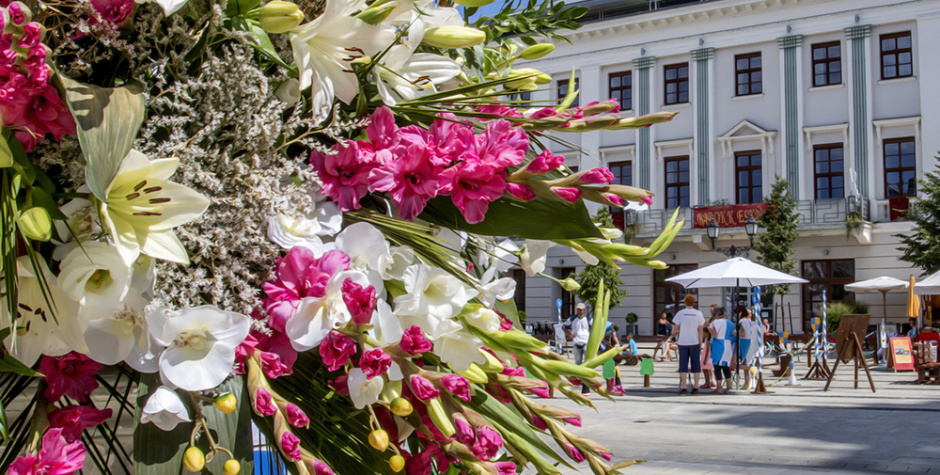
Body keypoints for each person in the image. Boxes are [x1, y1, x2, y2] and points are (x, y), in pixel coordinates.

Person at [671, 294, 705, 395]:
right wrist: (700, 343)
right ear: (694, 302)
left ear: (685, 302)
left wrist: (674, 333)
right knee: (696, 366)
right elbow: (701, 330)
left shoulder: (680, 313)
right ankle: (695, 388)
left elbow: (675, 329)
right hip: (695, 342)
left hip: (683, 342)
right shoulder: (698, 314)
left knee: (683, 366)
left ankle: (684, 388)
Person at [564, 302, 592, 395]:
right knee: (578, 363)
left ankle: (586, 380)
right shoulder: (573, 318)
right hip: (576, 342)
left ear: (584, 310)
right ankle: (581, 380)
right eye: (578, 309)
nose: (579, 311)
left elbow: (594, 327)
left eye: (580, 309)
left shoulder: (588, 318)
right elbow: (564, 327)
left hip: (586, 342)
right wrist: (569, 335)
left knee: (587, 362)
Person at [709, 306, 734, 394]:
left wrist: (709, 327)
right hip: (727, 344)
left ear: (716, 314)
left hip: (718, 345)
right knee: (725, 366)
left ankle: (719, 388)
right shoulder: (730, 323)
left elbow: (714, 334)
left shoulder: (715, 322)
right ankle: (729, 386)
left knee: (717, 366)